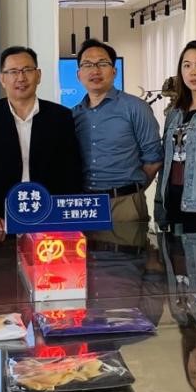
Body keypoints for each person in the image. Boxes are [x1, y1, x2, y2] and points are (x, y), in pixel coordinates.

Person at [0, 46, 81, 243]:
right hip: (0, 224)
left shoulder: (60, 117)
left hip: (50, 220)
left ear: (38, 75)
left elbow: (71, 170)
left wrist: (62, 214)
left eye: (27, 70)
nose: (21, 78)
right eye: (13, 71)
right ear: (2, 79)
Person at [72, 39, 163, 252]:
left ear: (114, 71)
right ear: (79, 75)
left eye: (102, 63)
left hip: (125, 204)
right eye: (87, 64)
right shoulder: (74, 114)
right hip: (85, 205)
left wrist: (132, 191)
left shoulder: (135, 108)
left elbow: (153, 158)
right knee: (89, 265)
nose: (95, 70)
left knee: (127, 266)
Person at [155, 41, 196, 290]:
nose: (193, 72)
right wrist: (159, 205)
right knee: (179, 278)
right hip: (173, 201)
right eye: (187, 65)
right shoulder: (174, 113)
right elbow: (165, 163)